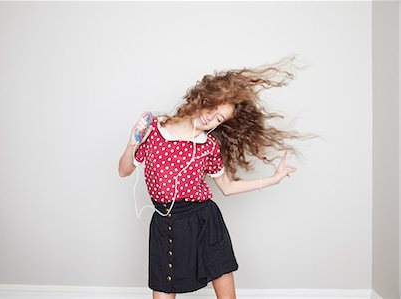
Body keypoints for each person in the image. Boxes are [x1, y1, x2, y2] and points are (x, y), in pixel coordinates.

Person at [118, 55, 316, 299]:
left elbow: (228, 187)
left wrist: (274, 179)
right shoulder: (155, 131)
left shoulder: (208, 146)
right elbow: (124, 171)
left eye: (219, 119)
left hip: (204, 223)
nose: (210, 118)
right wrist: (131, 144)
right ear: (204, 97)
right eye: (212, 108)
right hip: (166, 225)